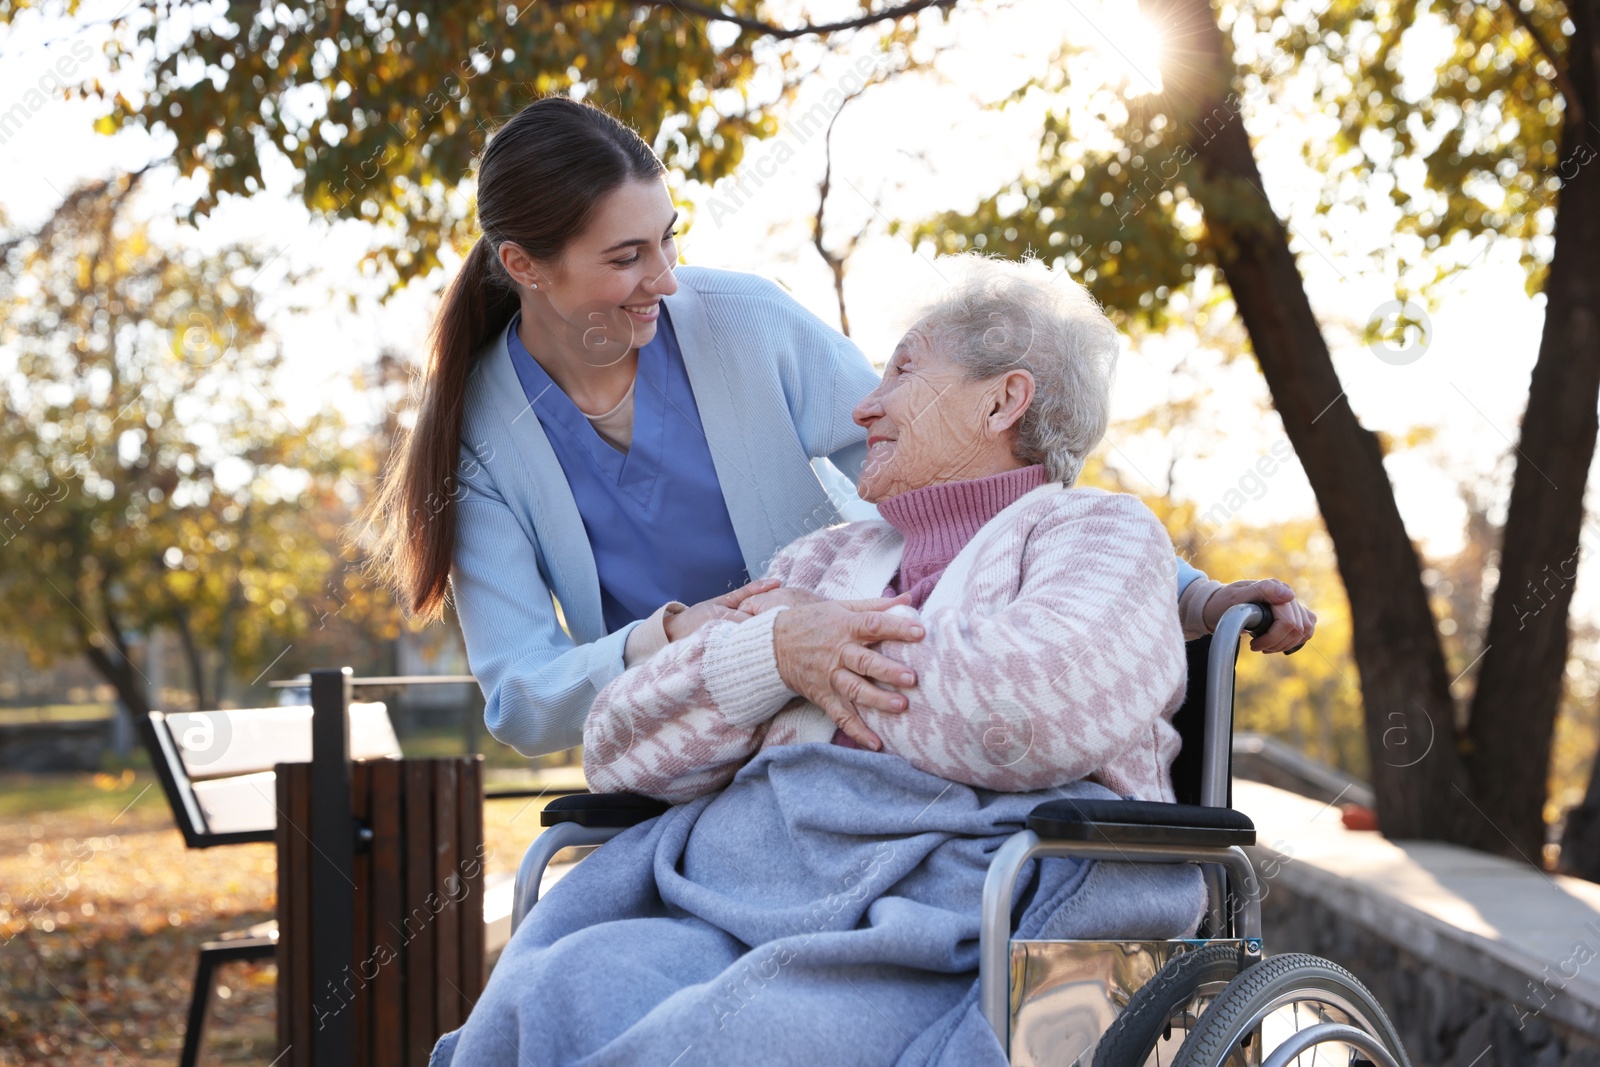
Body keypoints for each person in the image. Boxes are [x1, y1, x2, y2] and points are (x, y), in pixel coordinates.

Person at [429, 255, 1220, 1067]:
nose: (865, 406)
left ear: (1003, 398)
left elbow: (1035, 704)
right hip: (756, 897)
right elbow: (618, 742)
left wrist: (812, 657)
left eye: (903, 371)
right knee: (554, 992)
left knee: (704, 1046)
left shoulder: (1097, 534)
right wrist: (770, 652)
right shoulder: (823, 561)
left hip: (942, 923)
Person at [363, 95, 1316, 764]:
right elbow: (522, 699)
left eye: (669, 237)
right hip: (690, 756)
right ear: (526, 265)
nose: (665, 277)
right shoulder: (483, 436)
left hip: (853, 726)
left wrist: (1193, 595)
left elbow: (966, 473)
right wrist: (676, 639)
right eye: (626, 256)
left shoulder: (742, 323)